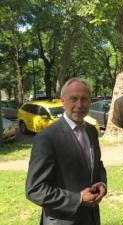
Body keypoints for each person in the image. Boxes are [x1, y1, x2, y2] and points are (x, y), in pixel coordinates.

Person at [26, 78, 107, 225]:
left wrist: (102, 183)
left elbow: (97, 164)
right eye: (74, 99)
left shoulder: (91, 130)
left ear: (90, 101)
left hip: (92, 218)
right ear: (62, 101)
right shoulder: (47, 138)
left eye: (84, 99)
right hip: (63, 221)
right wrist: (79, 199)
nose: (79, 105)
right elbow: (35, 189)